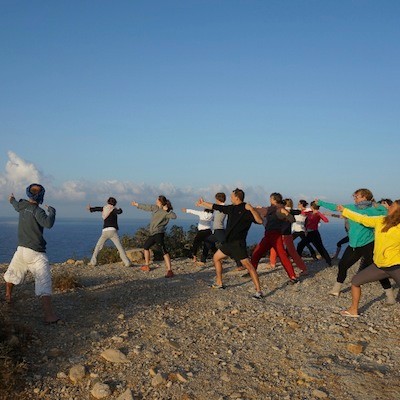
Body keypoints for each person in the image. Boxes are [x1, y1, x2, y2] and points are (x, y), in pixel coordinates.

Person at [317, 188, 394, 303]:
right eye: (354, 196)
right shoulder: (352, 207)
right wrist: (320, 203)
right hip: (353, 244)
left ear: (364, 197)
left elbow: (388, 214)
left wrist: (378, 206)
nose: (354, 198)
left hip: (369, 244)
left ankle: (390, 295)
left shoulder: (375, 209)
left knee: (378, 270)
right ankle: (336, 289)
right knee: (343, 265)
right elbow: (336, 207)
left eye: (356, 196)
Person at [4, 184, 60, 324]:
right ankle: (49, 316)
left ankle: (8, 297)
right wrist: (52, 212)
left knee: (13, 273)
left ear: (28, 194)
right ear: (41, 196)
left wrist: (11, 199)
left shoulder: (21, 206)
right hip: (35, 252)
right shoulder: (38, 211)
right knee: (43, 282)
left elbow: (14, 204)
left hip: (21, 250)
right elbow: (48, 224)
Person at [196, 188, 264, 299]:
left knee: (249, 267)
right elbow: (216, 206)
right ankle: (219, 283)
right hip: (228, 242)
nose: (230, 197)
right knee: (216, 258)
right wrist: (203, 203)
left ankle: (259, 291)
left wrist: (251, 209)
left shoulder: (247, 210)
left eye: (232, 196)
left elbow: (260, 221)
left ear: (237, 197)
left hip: (238, 244)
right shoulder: (231, 208)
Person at [337, 200, 400, 317]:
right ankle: (353, 310)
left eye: (393, 206)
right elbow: (362, 218)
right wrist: (345, 211)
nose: (389, 207)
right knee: (355, 281)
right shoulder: (381, 220)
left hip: (396, 266)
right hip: (379, 266)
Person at [251, 193, 299, 283]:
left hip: (275, 236)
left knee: (259, 253)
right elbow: (292, 219)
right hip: (269, 235)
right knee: (257, 253)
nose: (270, 200)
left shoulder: (276, 209)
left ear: (274, 200)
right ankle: (252, 271)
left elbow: (292, 219)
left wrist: (251, 208)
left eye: (271, 198)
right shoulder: (278, 208)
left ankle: (293, 277)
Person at [131, 195, 176, 278]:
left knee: (163, 251)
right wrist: (137, 204)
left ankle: (170, 270)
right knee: (146, 247)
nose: (156, 200)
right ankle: (147, 266)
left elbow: (174, 216)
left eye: (157, 200)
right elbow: (147, 207)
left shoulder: (165, 211)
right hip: (153, 233)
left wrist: (168, 210)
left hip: (159, 233)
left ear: (160, 202)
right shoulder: (155, 208)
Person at [202, 192, 243, 269]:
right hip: (216, 231)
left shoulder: (223, 207)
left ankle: (239, 264)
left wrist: (203, 203)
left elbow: (213, 206)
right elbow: (211, 207)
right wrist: (202, 204)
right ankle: (202, 260)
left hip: (220, 231)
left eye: (216, 199)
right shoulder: (218, 208)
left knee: (229, 246)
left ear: (218, 199)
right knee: (207, 241)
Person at [87, 197, 131, 267]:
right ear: (115, 203)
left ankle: (93, 262)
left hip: (105, 231)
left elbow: (97, 209)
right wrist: (119, 209)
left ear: (107, 202)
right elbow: (119, 212)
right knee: (119, 247)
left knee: (98, 246)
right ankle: (127, 262)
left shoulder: (104, 208)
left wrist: (90, 209)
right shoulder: (113, 209)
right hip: (113, 231)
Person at [269, 198, 308, 274]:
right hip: (288, 233)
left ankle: (272, 263)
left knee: (274, 247)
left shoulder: (282, 210)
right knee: (293, 252)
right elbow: (299, 211)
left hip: (281, 233)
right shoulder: (291, 211)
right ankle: (303, 268)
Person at [297, 201, 332, 267]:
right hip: (309, 233)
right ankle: (298, 259)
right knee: (300, 245)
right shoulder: (309, 213)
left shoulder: (318, 214)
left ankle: (328, 261)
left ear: (312, 207)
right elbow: (302, 212)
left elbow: (326, 220)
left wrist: (320, 214)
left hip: (314, 233)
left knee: (320, 247)